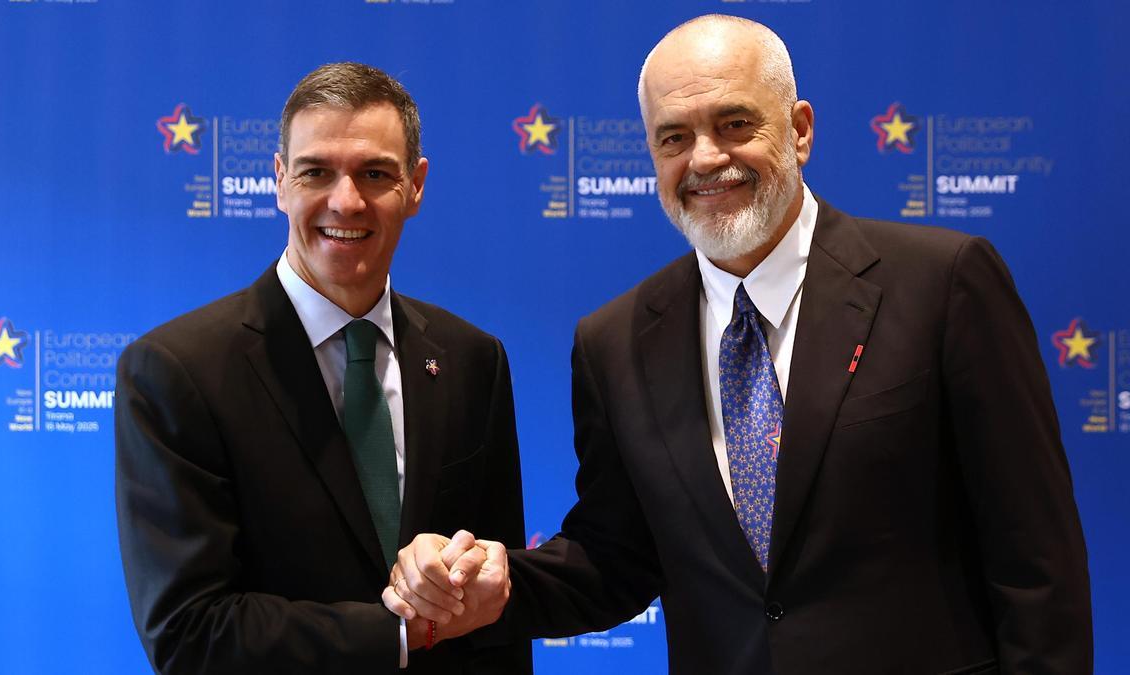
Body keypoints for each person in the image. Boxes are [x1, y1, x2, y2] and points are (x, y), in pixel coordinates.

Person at [384, 16, 1093, 674]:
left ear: (800, 129)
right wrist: (496, 584)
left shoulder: (942, 283)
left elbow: (1038, 563)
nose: (707, 158)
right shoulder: (614, 341)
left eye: (734, 123)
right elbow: (616, 556)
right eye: (674, 136)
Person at [114, 62, 531, 674]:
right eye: (316, 172)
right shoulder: (177, 371)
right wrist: (402, 631)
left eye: (374, 173)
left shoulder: (473, 359)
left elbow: (497, 605)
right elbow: (191, 632)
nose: (346, 200)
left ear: (415, 186)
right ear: (280, 181)